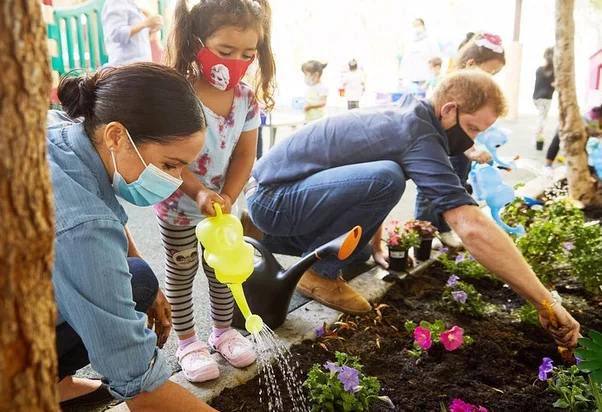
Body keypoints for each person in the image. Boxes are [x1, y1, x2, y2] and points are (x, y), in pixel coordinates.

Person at [243, 69, 580, 349]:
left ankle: (266, 234)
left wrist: (372, 243)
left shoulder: (409, 112)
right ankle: (319, 273)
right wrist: (545, 301)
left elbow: (354, 174)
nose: (472, 141)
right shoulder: (419, 134)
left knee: (359, 245)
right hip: (275, 198)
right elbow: (471, 225)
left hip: (280, 189)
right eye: (473, 128)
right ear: (448, 109)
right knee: (388, 178)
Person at [49, 64, 218, 412]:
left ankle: (53, 384)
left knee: (137, 278)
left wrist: (139, 264)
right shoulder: (82, 226)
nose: (175, 179)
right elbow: (141, 390)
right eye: (170, 165)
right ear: (116, 136)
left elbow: (100, 211)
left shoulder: (62, 131)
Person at [154, 0, 276, 383]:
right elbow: (170, 156)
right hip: (178, 206)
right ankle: (188, 342)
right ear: (196, 43)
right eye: (225, 52)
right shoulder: (179, 94)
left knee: (226, 271)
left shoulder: (245, 99)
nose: (236, 61)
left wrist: (228, 195)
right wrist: (199, 192)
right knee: (182, 271)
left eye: (247, 54)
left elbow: (244, 155)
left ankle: (224, 332)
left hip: (222, 210)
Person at [415, 32, 506, 248]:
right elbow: (447, 129)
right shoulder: (450, 89)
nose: (491, 78)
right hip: (445, 152)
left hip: (462, 152)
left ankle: (444, 229)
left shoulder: (478, 94)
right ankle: (423, 232)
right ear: (472, 64)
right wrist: (471, 148)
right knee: (431, 190)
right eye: (490, 71)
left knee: (455, 187)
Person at [101, 0, 163, 66]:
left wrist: (152, 28)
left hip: (141, 64)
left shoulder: (132, 4)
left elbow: (136, 37)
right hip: (125, 66)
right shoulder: (116, 2)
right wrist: (145, 24)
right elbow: (115, 34)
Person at [399, 18, 440, 87]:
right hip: (412, 76)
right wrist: (402, 76)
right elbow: (405, 59)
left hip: (426, 75)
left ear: (423, 25)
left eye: (418, 25)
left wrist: (434, 72)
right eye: (415, 25)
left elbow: (436, 57)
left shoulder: (430, 39)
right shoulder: (410, 41)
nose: (417, 27)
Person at [533, 47, 556, 145]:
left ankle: (538, 137)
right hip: (546, 98)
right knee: (542, 118)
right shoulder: (554, 72)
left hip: (536, 98)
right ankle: (537, 138)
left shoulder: (539, 70)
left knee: (541, 117)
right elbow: (554, 85)